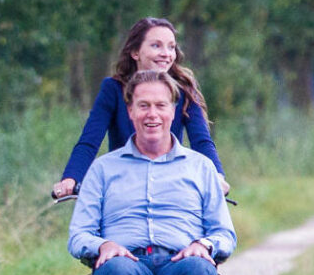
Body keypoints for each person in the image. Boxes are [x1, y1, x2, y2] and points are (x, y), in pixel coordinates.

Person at [67, 69, 236, 275]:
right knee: (117, 271)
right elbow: (79, 234)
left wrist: (204, 245)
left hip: (181, 262)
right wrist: (102, 246)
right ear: (129, 111)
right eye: (143, 105)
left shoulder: (200, 168)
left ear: (174, 111)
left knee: (200, 270)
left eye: (161, 105)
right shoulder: (103, 169)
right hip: (127, 264)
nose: (152, 114)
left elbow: (224, 233)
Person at [52, 17, 229, 199]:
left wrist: (217, 175)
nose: (166, 53)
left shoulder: (184, 91)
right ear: (135, 52)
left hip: (170, 186)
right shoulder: (113, 89)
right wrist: (71, 179)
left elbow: (201, 141)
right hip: (123, 188)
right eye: (156, 46)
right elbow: (90, 140)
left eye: (171, 47)